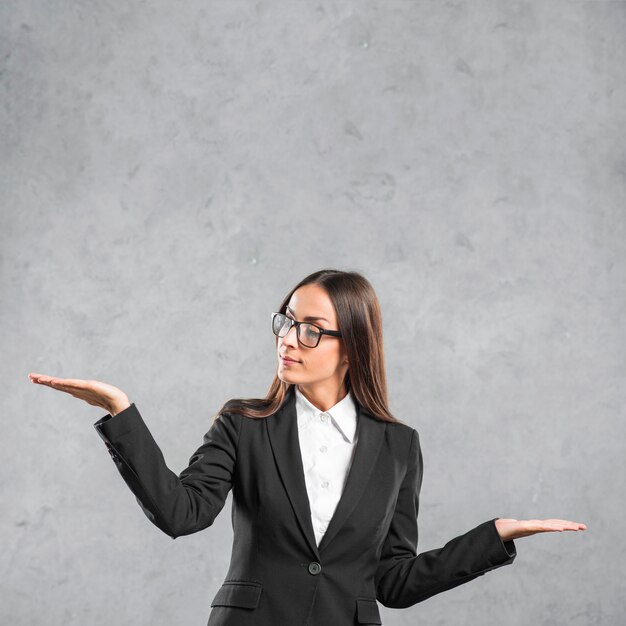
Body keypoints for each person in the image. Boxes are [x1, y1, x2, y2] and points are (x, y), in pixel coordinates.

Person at [29, 268, 586, 626]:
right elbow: (182, 513)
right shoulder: (243, 424)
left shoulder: (398, 447)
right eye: (287, 322)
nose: (289, 339)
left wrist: (495, 537)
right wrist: (120, 412)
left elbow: (392, 582)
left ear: (353, 347)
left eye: (311, 328)